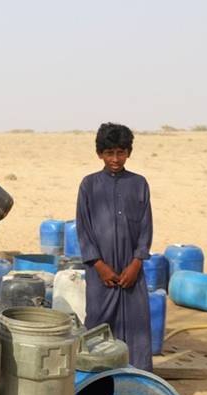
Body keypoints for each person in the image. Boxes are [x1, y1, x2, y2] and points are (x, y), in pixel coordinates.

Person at [76, 122, 154, 371]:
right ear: (99, 153)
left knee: (137, 327)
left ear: (129, 152)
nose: (115, 158)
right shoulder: (88, 185)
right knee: (98, 325)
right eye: (109, 152)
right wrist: (99, 265)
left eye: (121, 152)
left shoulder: (139, 183)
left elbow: (145, 226)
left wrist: (137, 262)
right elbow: (84, 229)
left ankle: (138, 381)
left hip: (132, 271)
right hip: (101, 272)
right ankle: (97, 382)